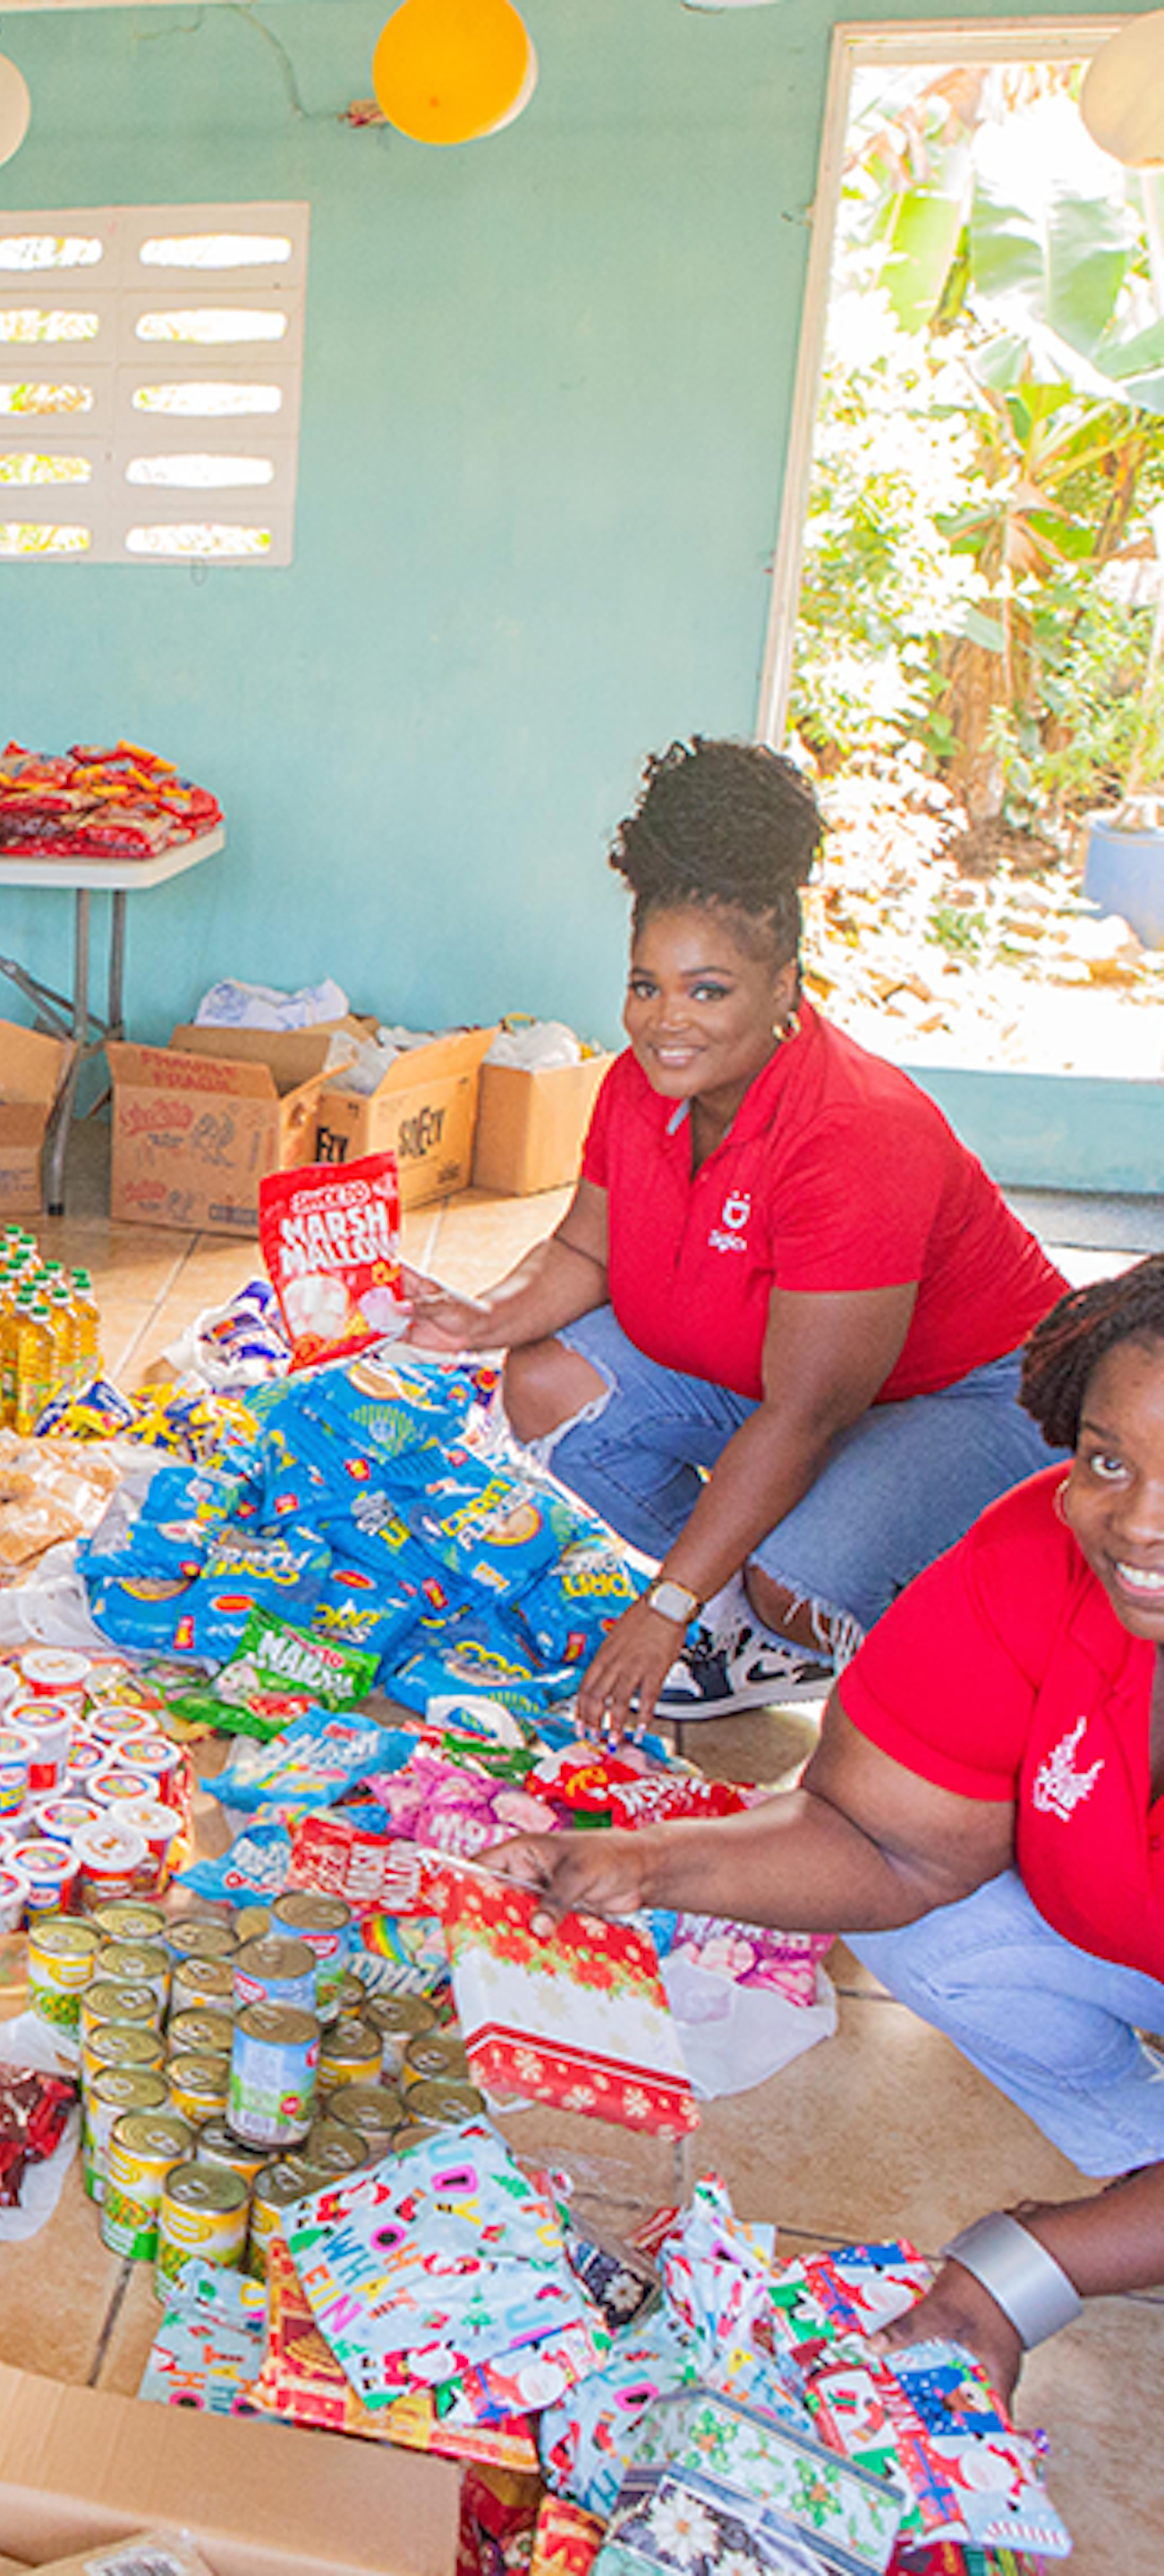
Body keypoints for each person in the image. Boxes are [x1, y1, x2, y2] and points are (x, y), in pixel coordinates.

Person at [484, 1258, 1164, 2401]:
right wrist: (628, 1863)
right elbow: (882, 1840)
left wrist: (1017, 2274)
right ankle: (1141, 2169)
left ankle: (1119, 2227)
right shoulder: (1035, 1560)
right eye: (1110, 1461)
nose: (1140, 1523)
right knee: (930, 1929)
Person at [405, 739, 1061, 1729]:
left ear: (785, 989)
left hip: (971, 1393)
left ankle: (817, 1619)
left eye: (708, 991)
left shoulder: (854, 1133)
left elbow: (807, 1413)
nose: (667, 1021)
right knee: (546, 1382)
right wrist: (478, 1317)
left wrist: (660, 1608)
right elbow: (584, 1250)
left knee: (801, 1579)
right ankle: (740, 1614)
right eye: (645, 986)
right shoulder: (640, 1085)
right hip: (807, 1376)